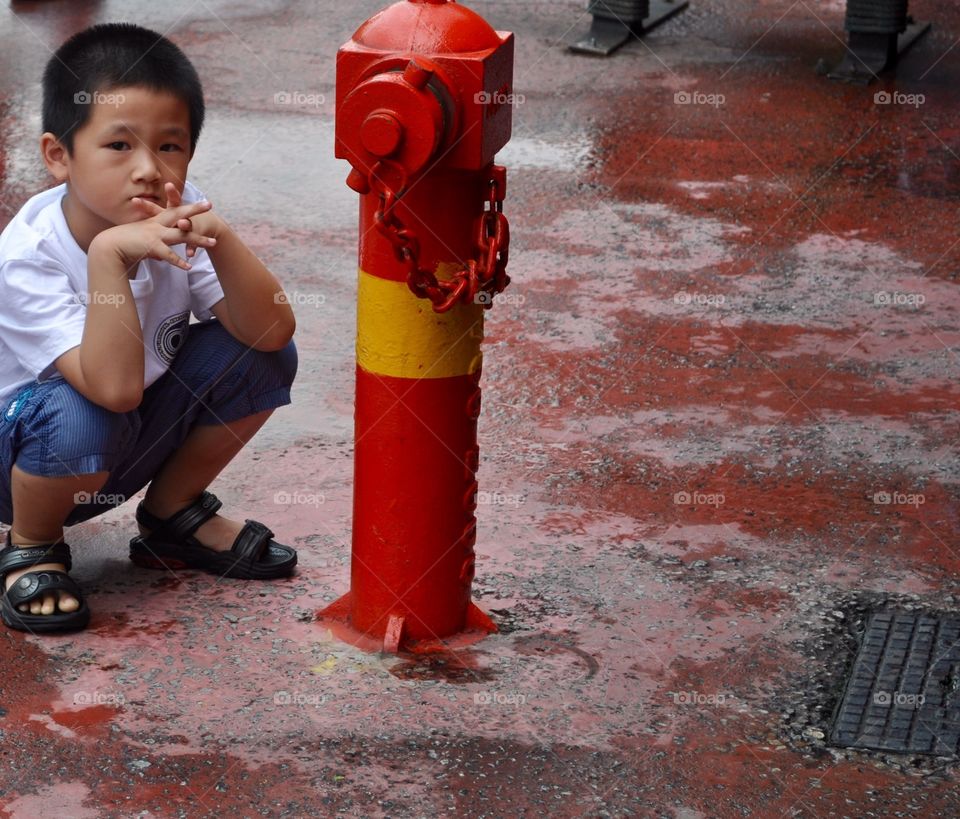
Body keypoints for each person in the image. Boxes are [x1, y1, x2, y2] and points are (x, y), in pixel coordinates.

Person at [0, 22, 299, 634]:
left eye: (170, 146)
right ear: (59, 156)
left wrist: (217, 232)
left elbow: (269, 329)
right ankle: (32, 547)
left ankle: (171, 513)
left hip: (120, 438)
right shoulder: (27, 256)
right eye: (119, 146)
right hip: (25, 460)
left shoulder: (175, 208)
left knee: (262, 354)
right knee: (86, 408)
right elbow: (111, 388)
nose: (148, 170)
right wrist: (108, 254)